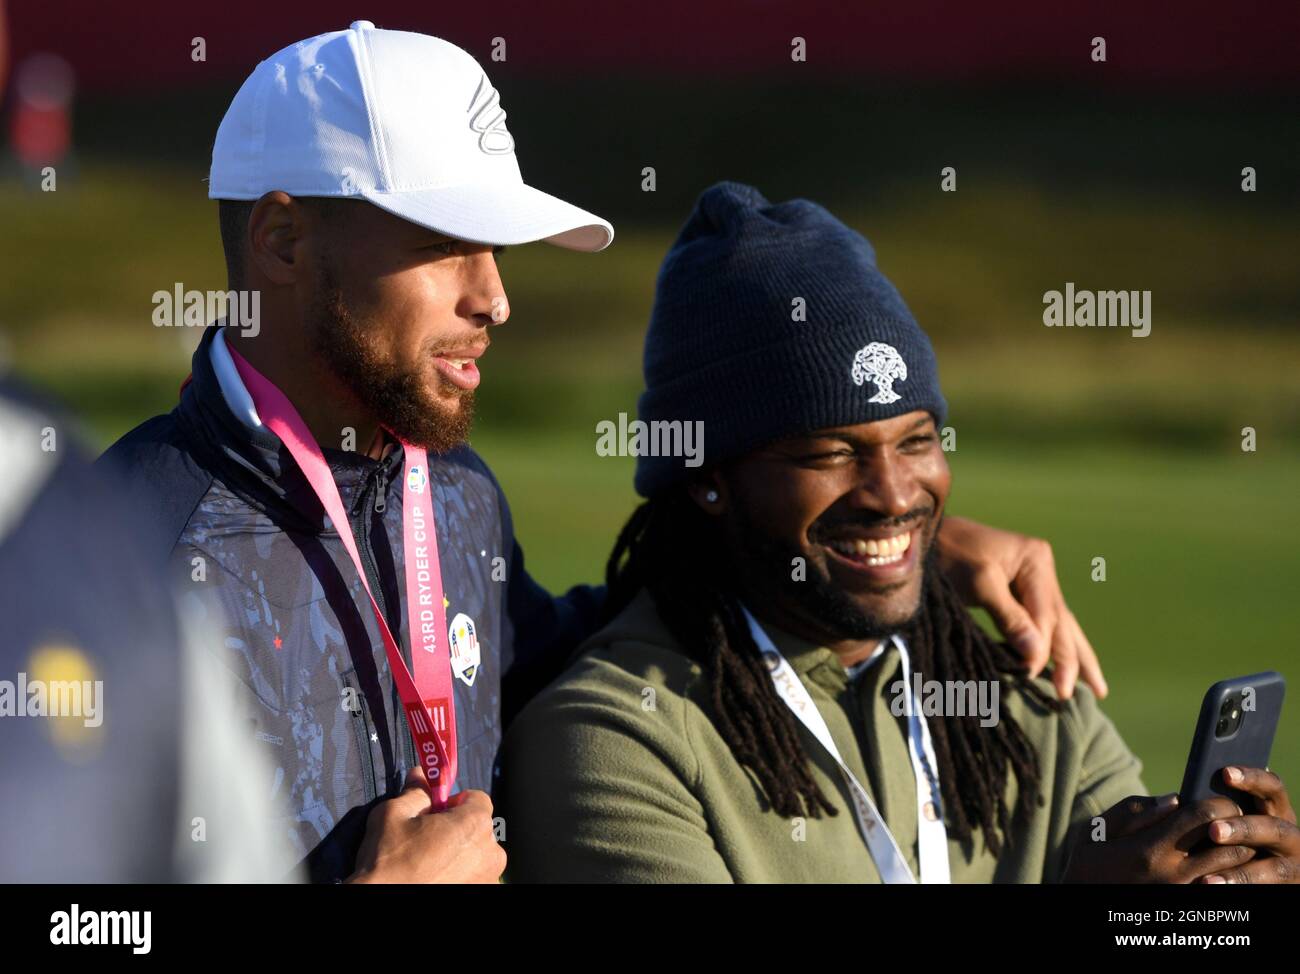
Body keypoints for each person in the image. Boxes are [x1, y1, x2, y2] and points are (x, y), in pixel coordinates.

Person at [102, 24, 1109, 884]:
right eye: (448, 244)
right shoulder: (111, 554)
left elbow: (590, 639)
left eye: (496, 253)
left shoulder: (451, 494)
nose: (493, 298)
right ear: (283, 240)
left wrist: (891, 542)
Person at [497, 182, 1299, 883]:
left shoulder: (1023, 698)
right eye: (830, 453)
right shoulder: (614, 735)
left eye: (917, 440)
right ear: (707, 478)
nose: (893, 494)